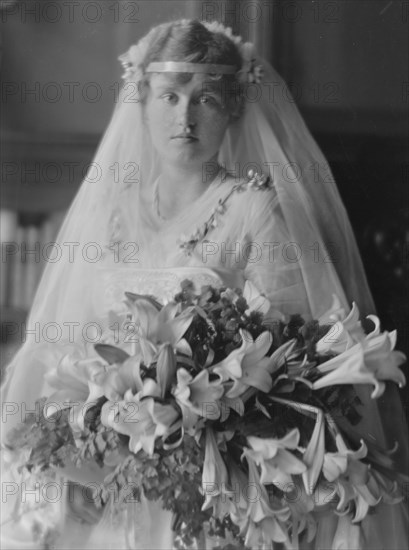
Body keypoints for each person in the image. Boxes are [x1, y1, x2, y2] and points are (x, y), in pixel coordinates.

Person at [1, 19, 407, 549]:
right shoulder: (110, 211)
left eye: (206, 99)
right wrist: (70, 457)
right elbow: (61, 351)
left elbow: (293, 364)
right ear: (142, 101)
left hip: (217, 483)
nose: (184, 118)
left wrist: (200, 429)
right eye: (169, 96)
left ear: (234, 108)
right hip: (108, 473)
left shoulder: (252, 210)